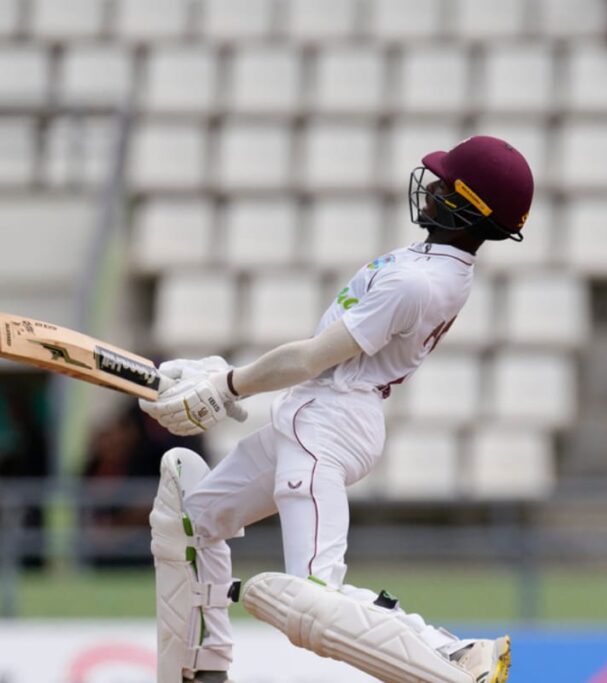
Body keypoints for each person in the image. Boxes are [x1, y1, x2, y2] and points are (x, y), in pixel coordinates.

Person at [139, 135, 533, 683]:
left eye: (447, 184)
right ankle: (198, 669)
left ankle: (453, 657)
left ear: (469, 209)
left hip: (330, 418)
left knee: (311, 599)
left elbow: (310, 359)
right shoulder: (432, 266)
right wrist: (217, 376)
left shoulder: (417, 283)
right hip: (320, 410)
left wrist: (227, 386)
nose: (433, 186)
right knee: (189, 520)